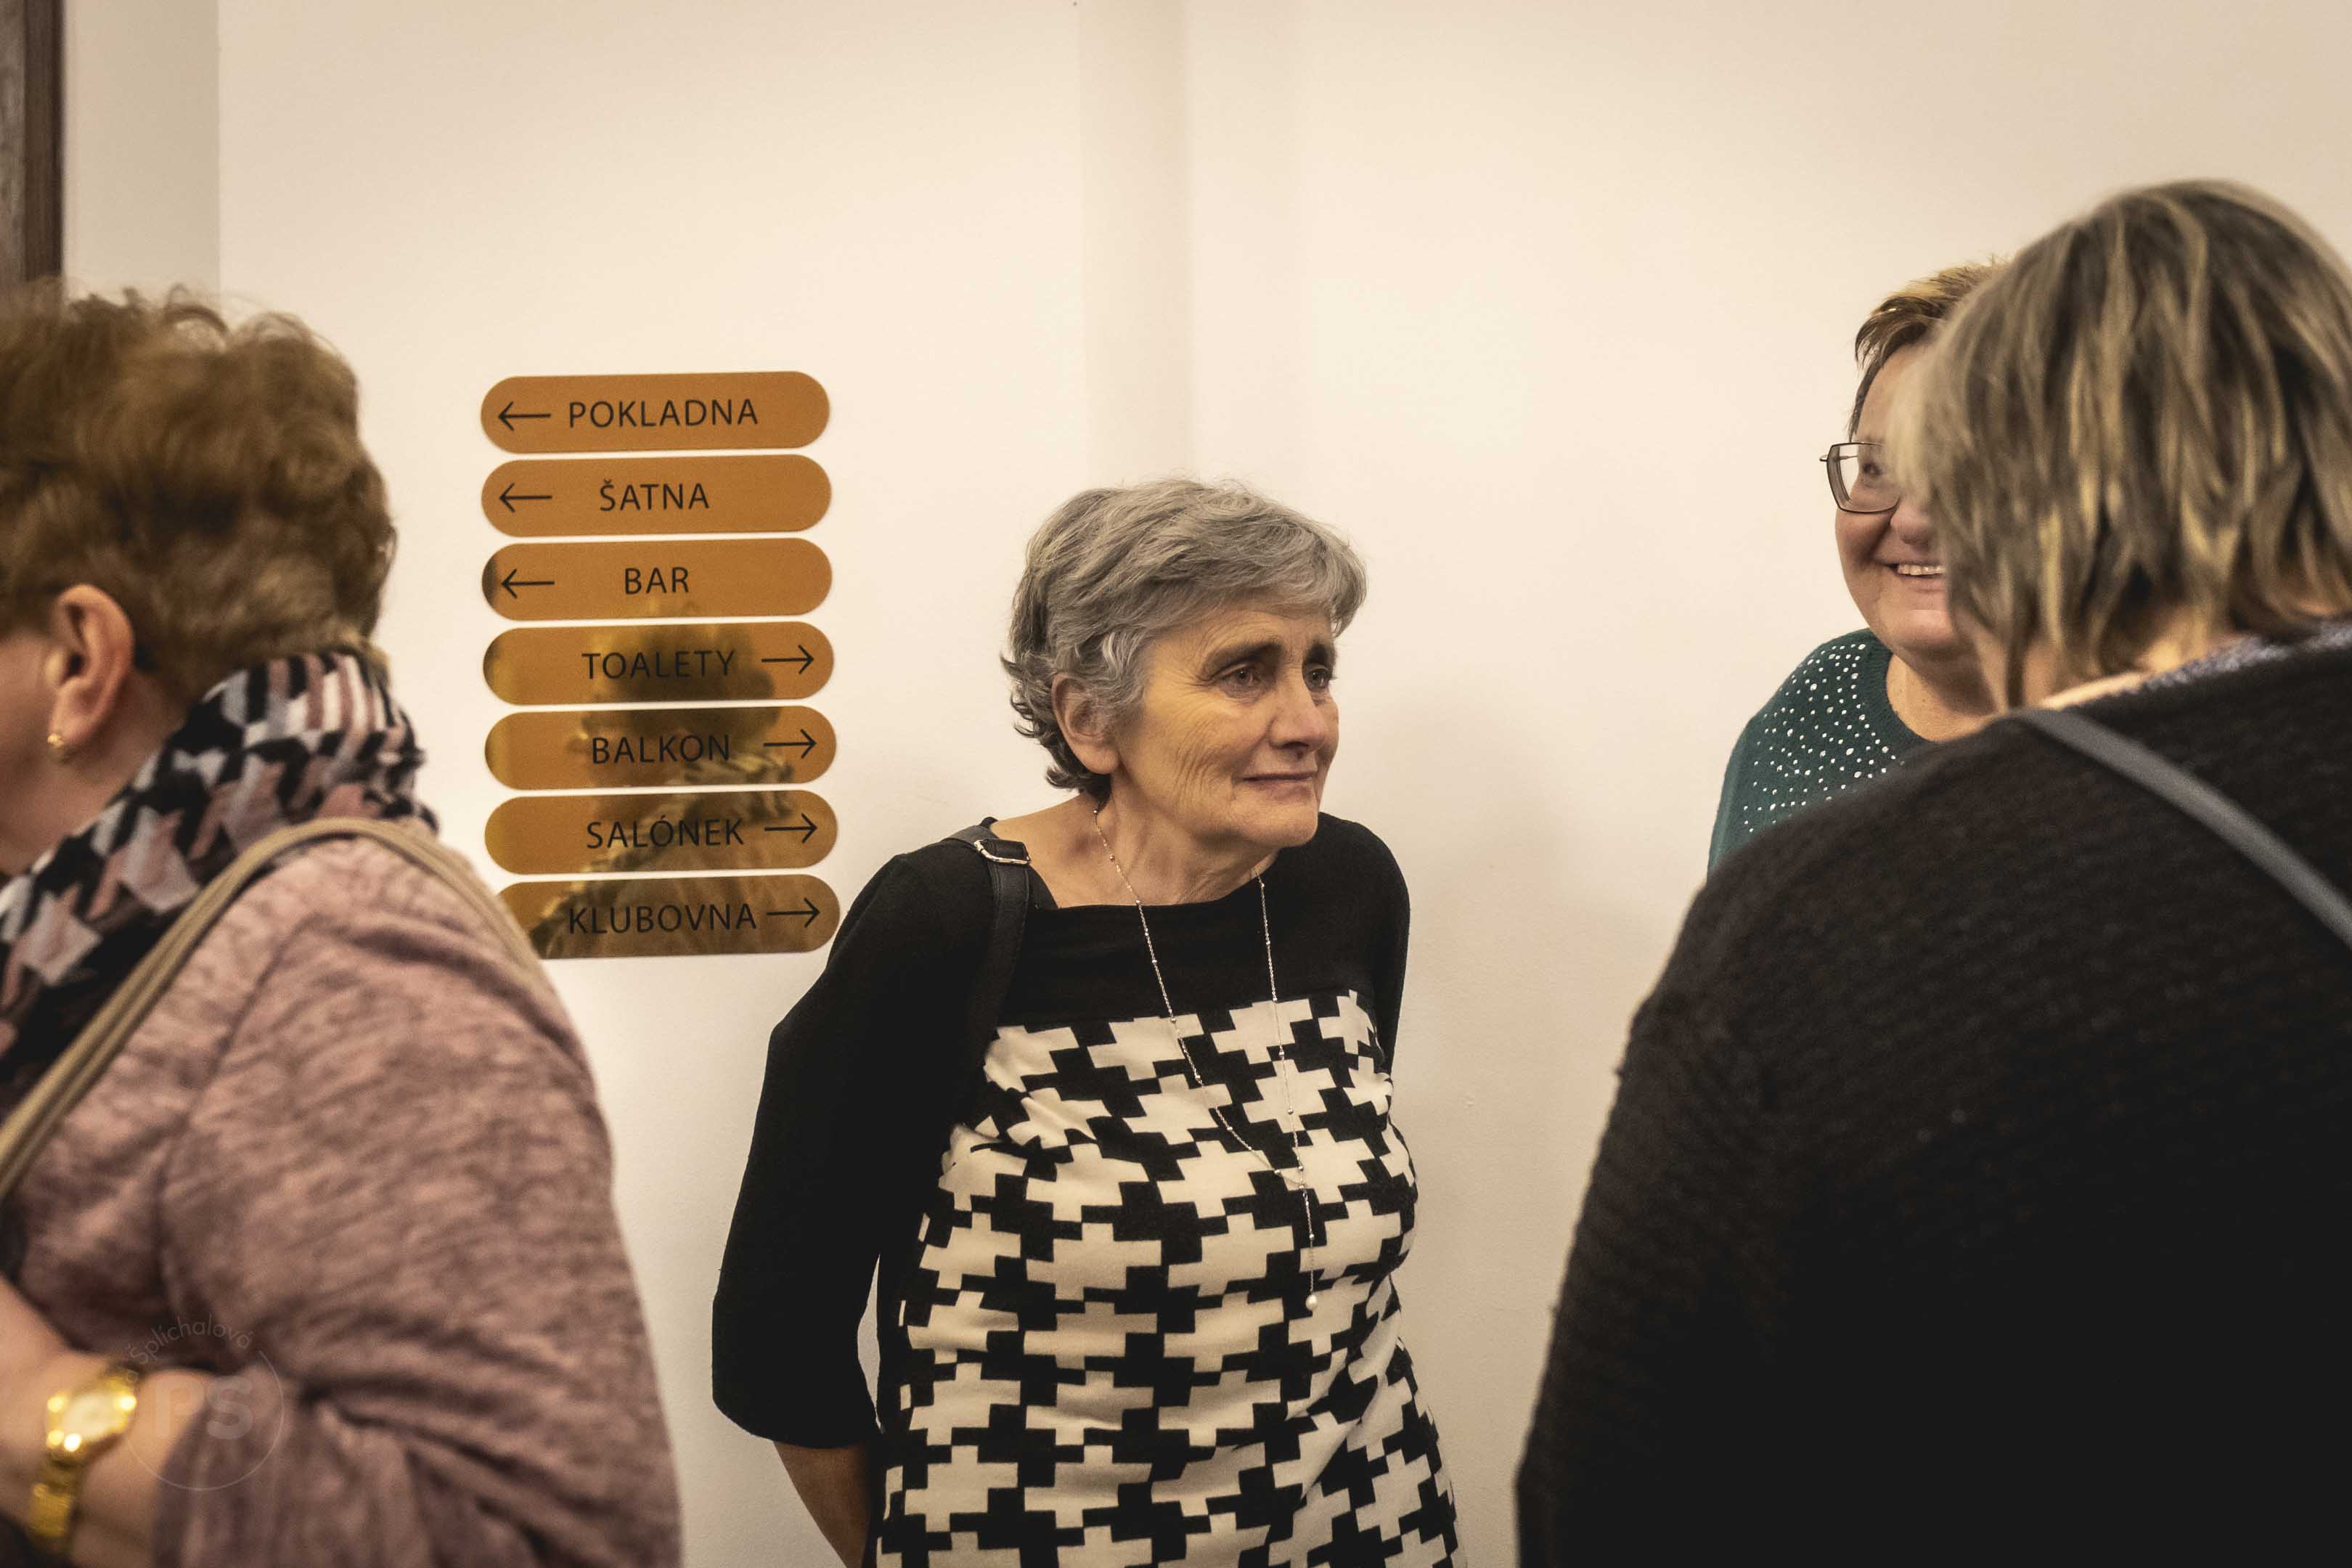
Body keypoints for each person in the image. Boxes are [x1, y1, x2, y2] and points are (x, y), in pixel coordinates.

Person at [1520, 179, 2352, 1558]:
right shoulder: (1809, 737)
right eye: (1875, 467)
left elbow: (1621, 1483)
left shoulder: (1828, 914)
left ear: (2032, 488)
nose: (1913, 515)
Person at [0, 287, 679, 1567]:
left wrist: (37, 1406)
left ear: (79, 662)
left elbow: (539, 1534)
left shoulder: (343, 962)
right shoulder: (102, 934)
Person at [715, 479, 1461, 1567]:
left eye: (1318, 669)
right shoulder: (951, 920)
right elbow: (780, 1334)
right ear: (1090, 718)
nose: (1308, 722)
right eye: (1244, 672)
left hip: (1372, 1533)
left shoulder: (1345, 885)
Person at [1707, 262, 2001, 869]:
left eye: (1966, 470)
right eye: (1878, 469)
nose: (1913, 521)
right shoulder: (1816, 700)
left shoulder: (2142, 752)